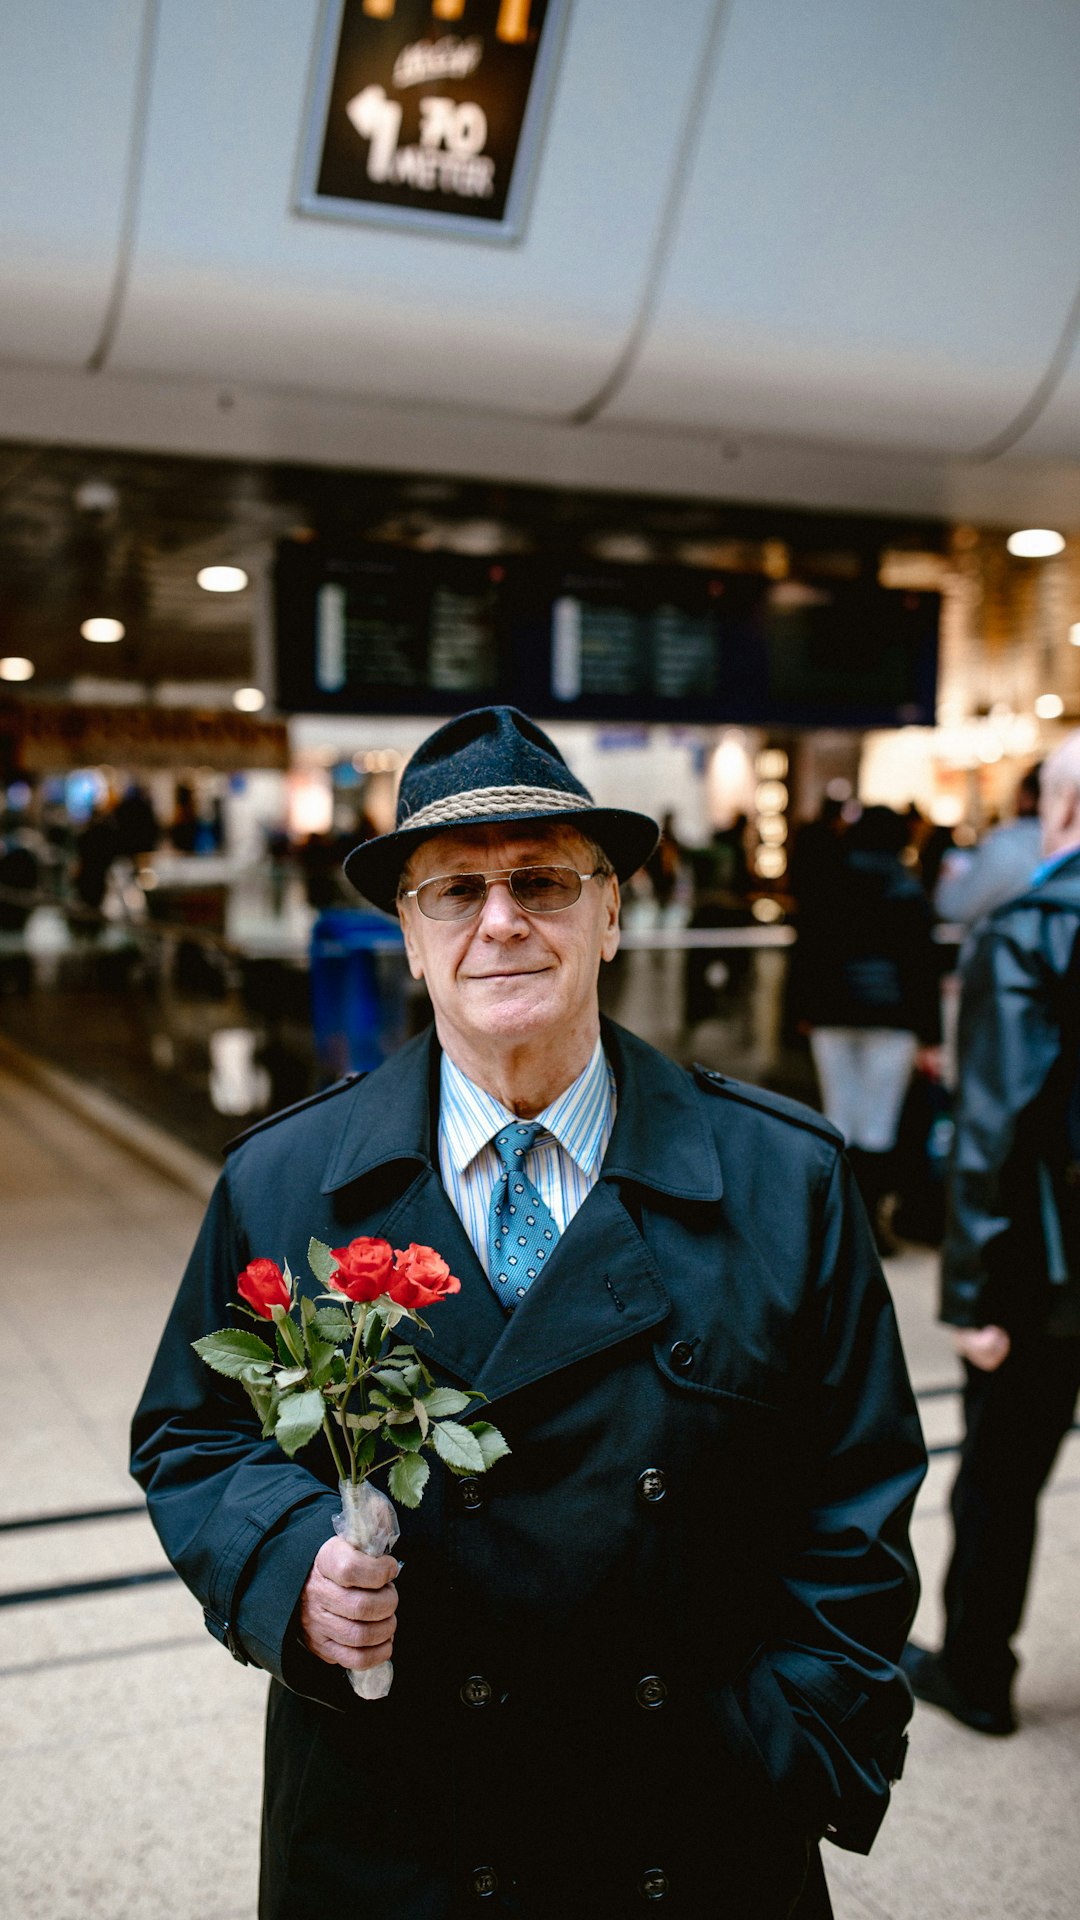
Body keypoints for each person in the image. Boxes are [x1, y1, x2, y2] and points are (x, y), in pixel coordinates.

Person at [132, 705, 925, 1920]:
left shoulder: (786, 1179)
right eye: (454, 890)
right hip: (397, 1829)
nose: (501, 921)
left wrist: (795, 1737)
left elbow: (859, 1495)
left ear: (611, 914)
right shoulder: (284, 1184)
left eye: (544, 880)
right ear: (406, 931)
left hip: (691, 1826)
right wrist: (288, 1567)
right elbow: (192, 1436)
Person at [903, 730, 1080, 1736]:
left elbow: (997, 1123)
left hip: (1046, 1272)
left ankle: (976, 1670)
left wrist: (972, 1294)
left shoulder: (1031, 928)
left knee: (1002, 1479)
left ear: (1055, 812)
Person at [788, 805, 942, 1251]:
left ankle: (838, 1225)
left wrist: (801, 1010)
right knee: (879, 1125)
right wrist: (930, 1035)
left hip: (832, 1015)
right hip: (892, 1021)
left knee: (839, 1118)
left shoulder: (827, 883)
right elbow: (920, 970)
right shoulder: (907, 890)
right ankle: (869, 1224)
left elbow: (808, 952)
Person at [933, 764, 1043, 931]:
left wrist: (951, 874)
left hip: (1008, 953)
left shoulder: (1007, 845)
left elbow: (956, 909)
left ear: (1026, 797)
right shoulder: (1013, 844)